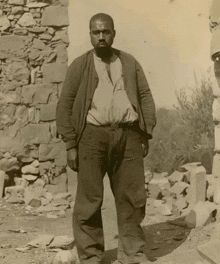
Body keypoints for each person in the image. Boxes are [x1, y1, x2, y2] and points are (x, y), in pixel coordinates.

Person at [56, 13, 156, 264]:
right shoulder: (80, 66)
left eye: (106, 31)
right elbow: (65, 105)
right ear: (90, 35)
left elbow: (144, 96)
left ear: (113, 33)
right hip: (91, 137)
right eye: (95, 32)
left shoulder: (130, 62)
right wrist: (71, 144)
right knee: (89, 200)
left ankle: (133, 253)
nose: (101, 36)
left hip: (129, 135)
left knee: (132, 198)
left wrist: (145, 133)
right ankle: (90, 255)